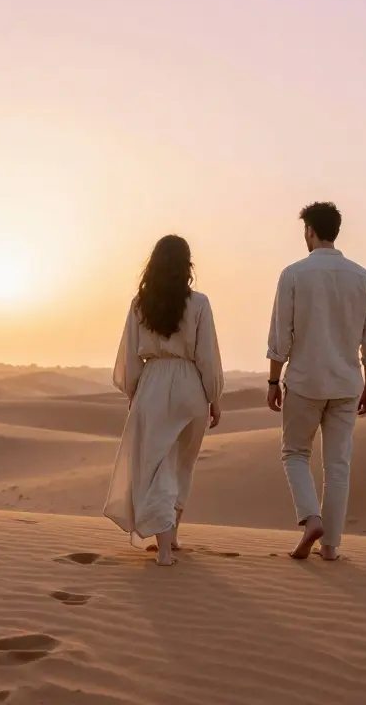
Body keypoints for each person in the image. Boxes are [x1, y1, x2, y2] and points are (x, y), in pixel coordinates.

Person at [266, 202, 366, 561]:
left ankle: (311, 518)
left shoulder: (294, 274)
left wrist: (273, 381)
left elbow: (279, 336)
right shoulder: (362, 276)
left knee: (295, 453)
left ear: (310, 231)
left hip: (304, 381)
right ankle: (330, 546)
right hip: (347, 383)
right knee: (338, 466)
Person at [104, 235, 224, 566]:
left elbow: (129, 358)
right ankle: (171, 536)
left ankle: (166, 546)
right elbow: (207, 357)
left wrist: (135, 393)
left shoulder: (139, 305)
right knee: (181, 466)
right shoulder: (199, 303)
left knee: (157, 466)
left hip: (153, 385)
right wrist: (213, 397)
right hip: (191, 389)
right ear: (187, 266)